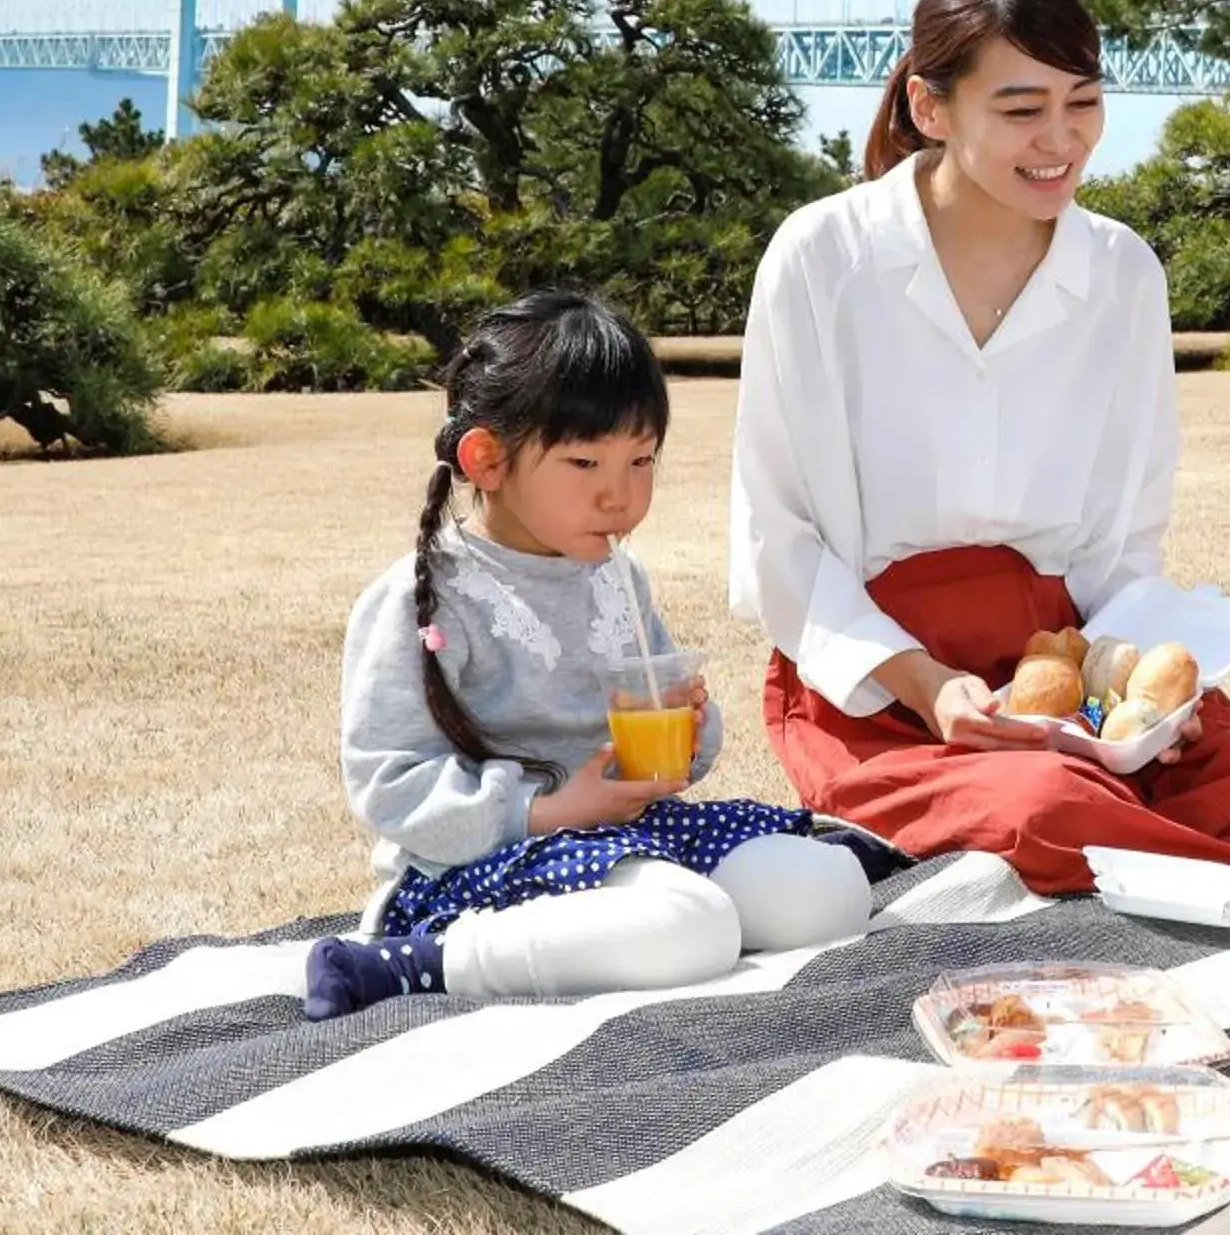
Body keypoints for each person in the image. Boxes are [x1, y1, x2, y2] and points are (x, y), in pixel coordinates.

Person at [731, 0, 1230, 894]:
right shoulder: (822, 256)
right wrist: (925, 683)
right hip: (876, 686)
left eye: (1083, 102)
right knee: (1042, 815)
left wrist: (1138, 693)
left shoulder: (1123, 272)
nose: (1062, 141)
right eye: (1022, 108)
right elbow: (776, 540)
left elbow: (1123, 537)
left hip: (1073, 676)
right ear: (929, 106)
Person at [303, 290, 870, 1019]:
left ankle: (642, 930)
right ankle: (419, 961)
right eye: (584, 462)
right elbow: (392, 784)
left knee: (830, 892)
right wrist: (549, 811)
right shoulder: (430, 598)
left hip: (628, 836)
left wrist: (690, 728)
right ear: (486, 459)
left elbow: (668, 753)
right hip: (488, 861)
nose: (621, 497)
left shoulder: (618, 579)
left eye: (641, 461)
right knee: (690, 928)